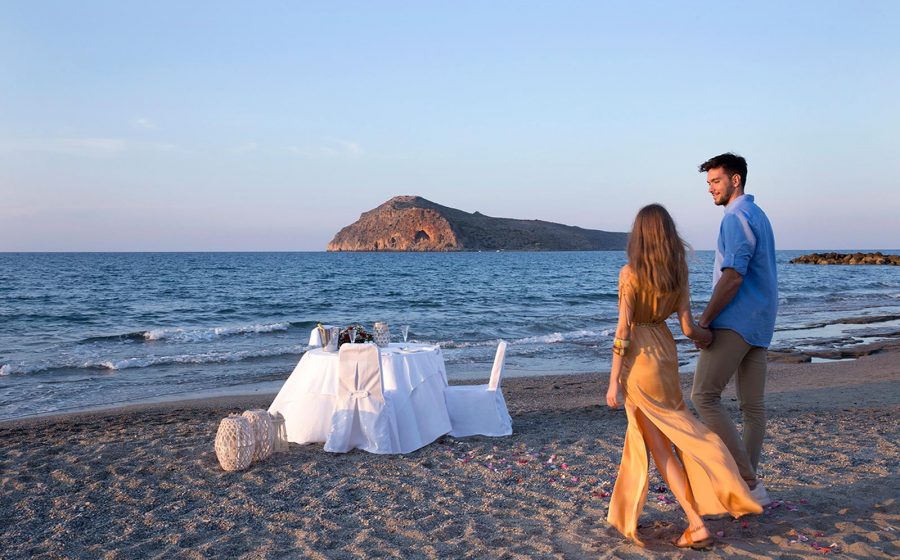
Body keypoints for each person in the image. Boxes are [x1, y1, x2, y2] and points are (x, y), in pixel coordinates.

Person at [605, 204, 762, 550]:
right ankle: (702, 506)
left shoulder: (629, 273)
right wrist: (707, 338)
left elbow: (623, 330)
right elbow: (688, 326)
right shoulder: (678, 272)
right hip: (665, 355)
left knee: (662, 448)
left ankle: (696, 521)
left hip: (640, 361)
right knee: (677, 432)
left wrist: (614, 379)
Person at [692, 153, 777, 507]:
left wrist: (705, 320)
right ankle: (749, 489)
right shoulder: (759, 215)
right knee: (752, 408)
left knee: (704, 396)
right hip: (762, 320)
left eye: (716, 181)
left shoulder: (736, 216)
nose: (710, 188)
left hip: (736, 320)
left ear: (736, 180)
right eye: (708, 182)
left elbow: (733, 275)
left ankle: (747, 479)